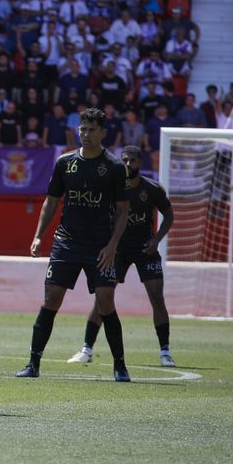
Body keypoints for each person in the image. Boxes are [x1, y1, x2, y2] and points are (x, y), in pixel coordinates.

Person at [17, 107, 131, 381]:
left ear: (103, 133)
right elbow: (51, 201)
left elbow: (124, 210)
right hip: (66, 243)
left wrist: (113, 245)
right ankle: (33, 364)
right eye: (83, 129)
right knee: (50, 299)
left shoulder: (115, 167)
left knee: (105, 302)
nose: (86, 134)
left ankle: (120, 366)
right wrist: (37, 235)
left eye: (92, 129)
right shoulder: (64, 162)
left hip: (101, 247)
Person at [67, 145, 177, 369]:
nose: (128, 165)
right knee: (102, 297)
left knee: (157, 296)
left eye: (133, 161)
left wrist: (156, 239)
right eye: (125, 160)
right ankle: (87, 349)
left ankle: (165, 351)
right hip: (116, 249)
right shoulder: (110, 186)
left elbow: (168, 213)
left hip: (145, 248)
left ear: (140, 163)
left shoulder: (152, 188)